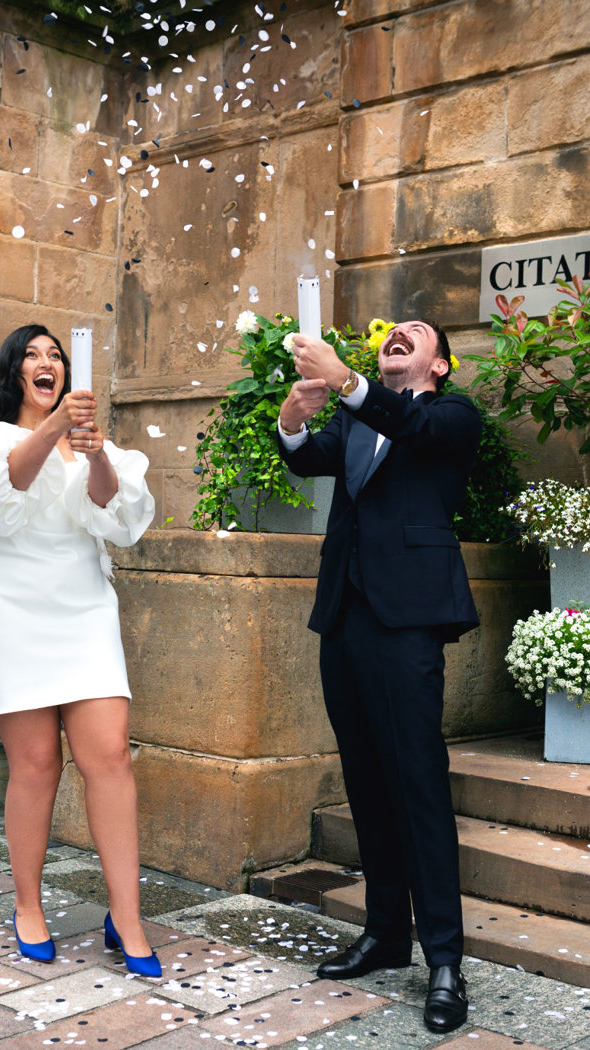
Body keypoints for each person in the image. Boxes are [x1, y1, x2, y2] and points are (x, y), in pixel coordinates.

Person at [0, 324, 160, 976]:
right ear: (13, 373)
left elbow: (113, 512)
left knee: (109, 754)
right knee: (36, 764)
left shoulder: (91, 442)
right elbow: (0, 492)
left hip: (82, 607)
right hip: (10, 612)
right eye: (33, 355)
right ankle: (28, 905)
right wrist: (55, 425)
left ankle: (127, 918)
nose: (46, 361)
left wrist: (98, 454)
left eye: (56, 354)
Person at [276, 319, 481, 1033]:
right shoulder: (356, 419)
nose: (399, 334)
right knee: (364, 777)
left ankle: (446, 961)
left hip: (410, 619)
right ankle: (387, 934)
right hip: (346, 616)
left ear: (441, 365)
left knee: (418, 782)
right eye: (392, 331)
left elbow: (412, 432)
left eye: (416, 333)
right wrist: (292, 423)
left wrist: (343, 380)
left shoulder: (451, 414)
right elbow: (307, 461)